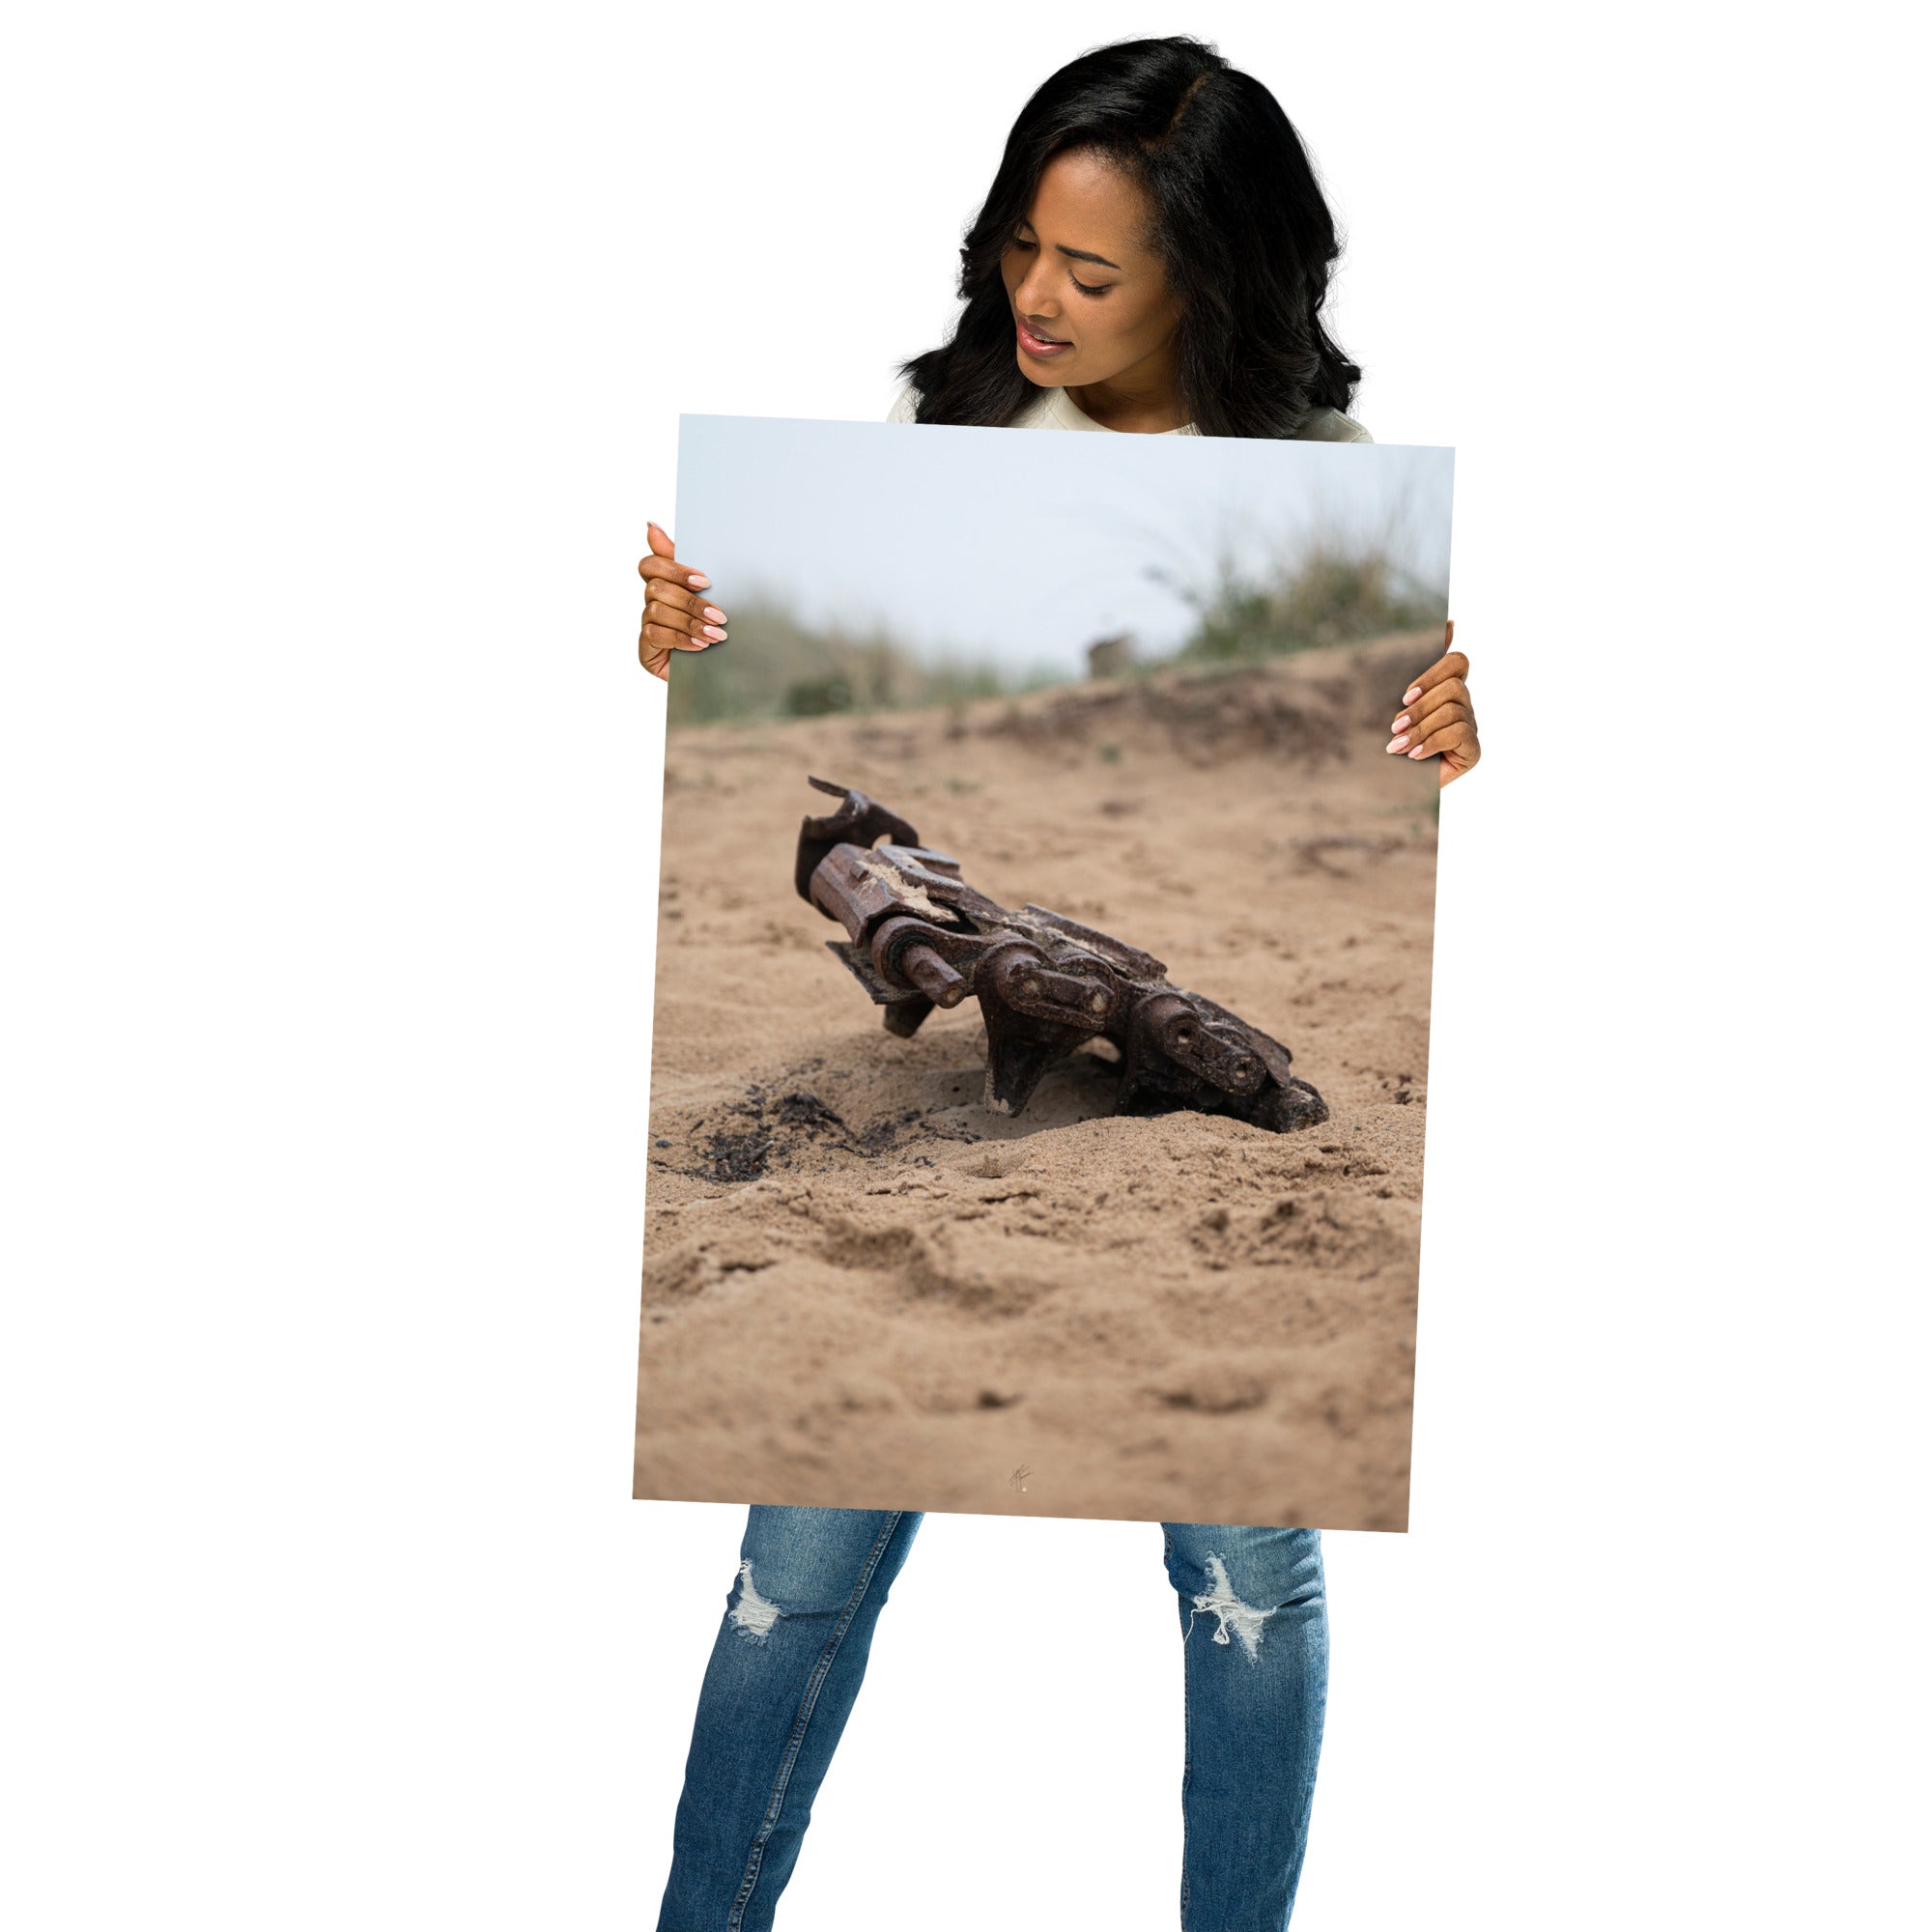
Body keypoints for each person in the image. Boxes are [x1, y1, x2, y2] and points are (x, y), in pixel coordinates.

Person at [636, 37, 1480, 1932]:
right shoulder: (946, 433)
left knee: (1249, 1566)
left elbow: (1424, 776)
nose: (1036, 296)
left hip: (1206, 1057)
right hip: (970, 939)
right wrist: (657, 642)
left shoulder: (1338, 495)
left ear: (1216, 275)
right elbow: (758, 669)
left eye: (1091, 274)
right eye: (1024, 245)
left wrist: (1461, 731)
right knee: (794, 1560)